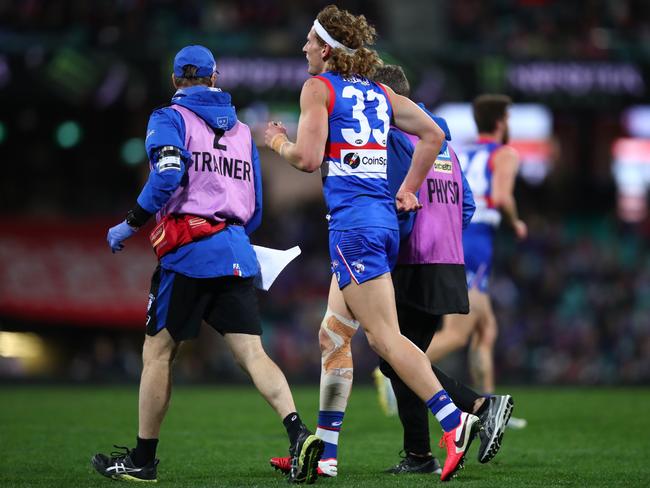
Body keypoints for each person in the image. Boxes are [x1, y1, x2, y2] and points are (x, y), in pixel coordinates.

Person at [264, 6, 480, 482]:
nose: (303, 49)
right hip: (381, 222)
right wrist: (406, 189)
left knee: (385, 338)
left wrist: (276, 141)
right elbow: (434, 134)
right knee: (333, 335)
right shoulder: (380, 91)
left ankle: (455, 421)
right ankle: (325, 454)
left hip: (354, 228)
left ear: (326, 49)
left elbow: (306, 158)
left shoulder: (318, 88)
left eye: (309, 42)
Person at [90, 45, 323, 484]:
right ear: (214, 78)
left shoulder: (169, 118)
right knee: (253, 353)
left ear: (177, 80)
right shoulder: (240, 132)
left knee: (158, 353)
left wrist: (131, 223)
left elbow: (168, 172)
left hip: (188, 253)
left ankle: (143, 460)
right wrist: (231, 231)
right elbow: (254, 207)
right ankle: (298, 433)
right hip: (235, 251)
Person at [425, 94, 527, 428]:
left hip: (455, 233)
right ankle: (400, 374)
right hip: (478, 238)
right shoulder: (505, 154)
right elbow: (501, 197)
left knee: (486, 328)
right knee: (457, 333)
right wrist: (516, 222)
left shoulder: (463, 151)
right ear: (500, 122)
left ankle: (490, 406)